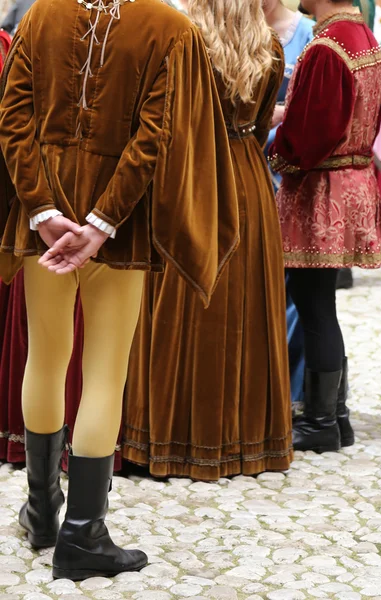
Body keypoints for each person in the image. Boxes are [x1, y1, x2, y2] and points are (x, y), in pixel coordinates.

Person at [0, 0, 239, 580]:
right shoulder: (170, 27)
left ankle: (41, 512)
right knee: (105, 370)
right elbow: (157, 135)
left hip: (48, 218)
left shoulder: (39, 15)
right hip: (121, 227)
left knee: (46, 358)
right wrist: (102, 222)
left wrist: (44, 210)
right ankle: (82, 535)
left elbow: (13, 117)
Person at [122, 0, 293, 481]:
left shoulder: (180, 46)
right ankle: (245, 441)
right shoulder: (270, 48)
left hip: (192, 176)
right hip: (247, 179)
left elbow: (161, 124)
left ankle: (165, 436)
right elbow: (260, 127)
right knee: (246, 307)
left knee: (179, 302)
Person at [269, 0, 381, 453]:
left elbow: (312, 132)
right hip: (349, 176)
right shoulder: (361, 37)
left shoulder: (328, 45)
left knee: (313, 301)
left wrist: (279, 158)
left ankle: (321, 421)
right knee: (320, 303)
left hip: (323, 185)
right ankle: (334, 416)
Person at [263, 0, 313, 412]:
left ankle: (290, 391)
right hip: (246, 166)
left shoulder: (309, 33)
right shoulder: (236, 31)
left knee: (292, 285)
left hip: (290, 172)